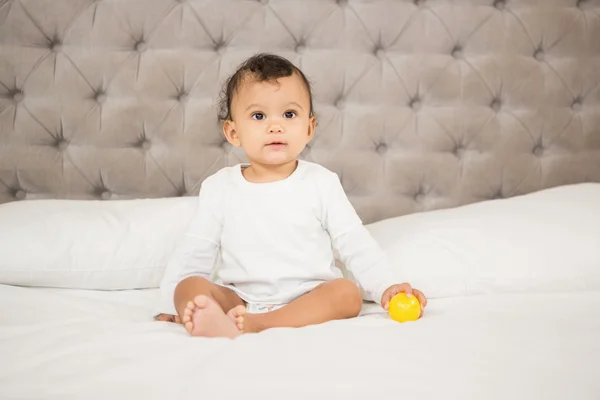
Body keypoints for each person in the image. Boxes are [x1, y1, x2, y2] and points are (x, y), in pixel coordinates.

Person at [154, 53, 427, 338]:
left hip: (308, 296)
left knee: (347, 293)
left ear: (309, 128)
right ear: (233, 132)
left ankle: (256, 324)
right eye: (258, 116)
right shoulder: (220, 187)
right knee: (189, 287)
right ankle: (210, 316)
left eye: (289, 114)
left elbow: (355, 243)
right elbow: (196, 249)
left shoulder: (322, 183)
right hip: (240, 298)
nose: (276, 126)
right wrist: (171, 302)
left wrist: (387, 286)